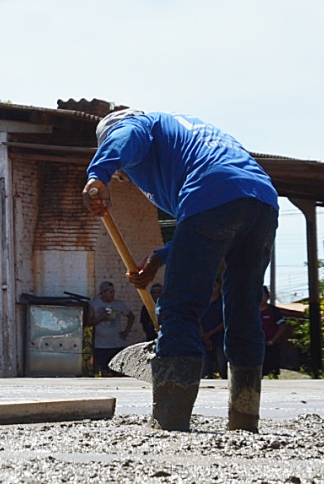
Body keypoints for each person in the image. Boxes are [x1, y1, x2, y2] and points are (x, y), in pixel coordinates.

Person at [83, 110, 278, 433]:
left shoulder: (137, 125)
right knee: (243, 309)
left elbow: (126, 135)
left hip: (213, 192)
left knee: (179, 306)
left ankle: (171, 419)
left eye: (121, 170)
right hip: (261, 200)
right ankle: (244, 418)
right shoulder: (185, 137)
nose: (124, 177)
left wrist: (98, 174)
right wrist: (160, 257)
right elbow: (213, 225)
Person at [87, 281, 135, 376]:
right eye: (110, 292)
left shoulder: (119, 304)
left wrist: (126, 331)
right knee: (104, 370)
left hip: (116, 343)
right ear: (103, 293)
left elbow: (131, 316)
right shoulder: (94, 304)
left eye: (113, 292)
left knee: (117, 371)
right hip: (101, 345)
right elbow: (89, 323)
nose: (112, 294)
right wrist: (102, 317)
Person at [260, 286, 291, 377]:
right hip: (256, 345)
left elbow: (282, 326)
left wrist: (273, 340)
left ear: (267, 296)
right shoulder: (252, 311)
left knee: (272, 370)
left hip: (270, 345)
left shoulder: (273, 311)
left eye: (263, 295)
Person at [200, 280, 226, 379]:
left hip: (219, 338)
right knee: (204, 369)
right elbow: (197, 318)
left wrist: (210, 333)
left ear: (219, 286)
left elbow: (225, 321)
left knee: (222, 366)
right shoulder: (202, 301)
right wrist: (204, 335)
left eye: (214, 285)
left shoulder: (223, 302)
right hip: (204, 339)